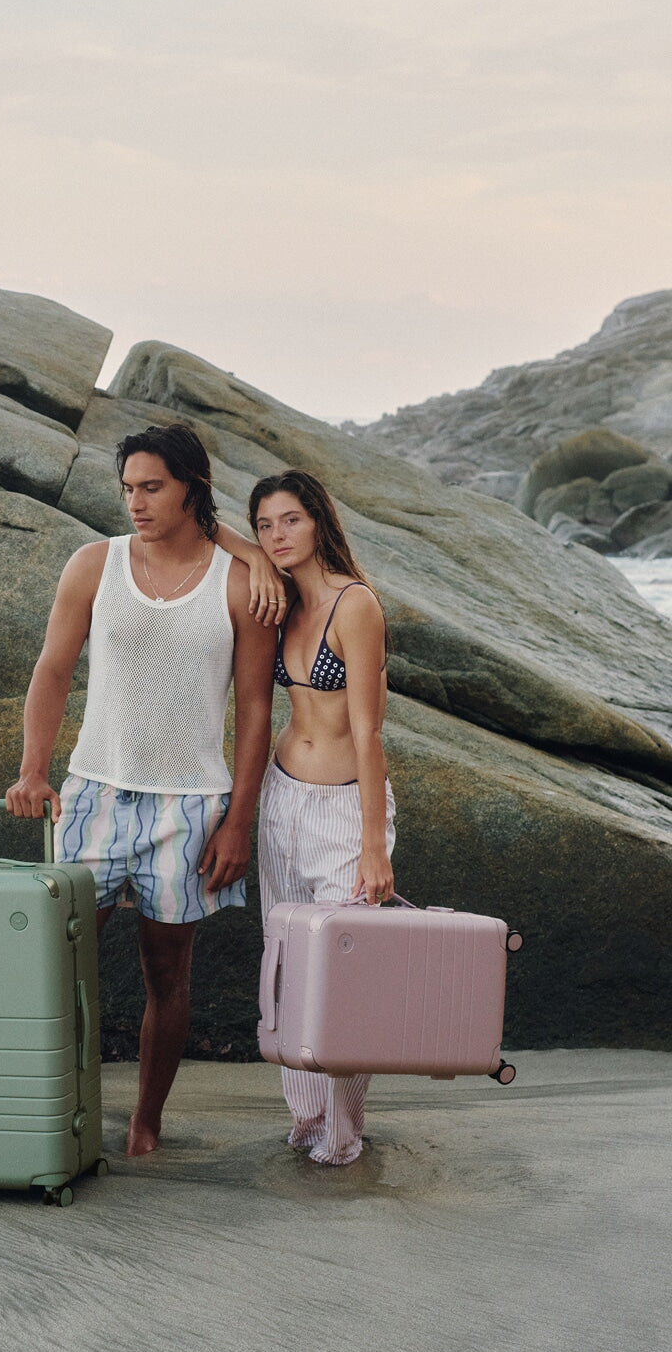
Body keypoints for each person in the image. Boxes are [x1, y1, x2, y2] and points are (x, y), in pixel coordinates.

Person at [5, 423, 279, 1157]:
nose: (136, 502)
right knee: (55, 966)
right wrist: (33, 768)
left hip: (188, 808)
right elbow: (52, 670)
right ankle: (53, 1108)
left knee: (167, 973)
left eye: (152, 487)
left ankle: (145, 1122)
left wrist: (239, 822)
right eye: (128, 488)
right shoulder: (93, 566)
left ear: (192, 486)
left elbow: (256, 710)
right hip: (92, 795)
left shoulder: (240, 582)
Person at [249, 469, 395, 1166]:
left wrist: (373, 844)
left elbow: (369, 732)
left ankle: (343, 1132)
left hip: (342, 807)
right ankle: (307, 1118)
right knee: (286, 964)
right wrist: (248, 552)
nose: (277, 535)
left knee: (344, 975)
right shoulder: (281, 601)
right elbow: (218, 538)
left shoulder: (354, 604)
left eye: (291, 520)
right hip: (282, 799)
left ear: (318, 522)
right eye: (264, 525)